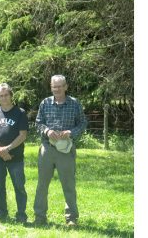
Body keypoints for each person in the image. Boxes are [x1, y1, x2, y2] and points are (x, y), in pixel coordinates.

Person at [33, 75, 87, 227]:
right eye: (54, 86)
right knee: (42, 185)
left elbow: (83, 123)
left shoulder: (75, 103)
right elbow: (38, 123)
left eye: (60, 86)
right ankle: (40, 216)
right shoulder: (45, 103)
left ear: (66, 86)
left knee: (68, 185)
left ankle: (71, 219)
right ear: (51, 87)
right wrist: (47, 131)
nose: (57, 89)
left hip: (66, 150)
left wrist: (71, 132)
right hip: (47, 150)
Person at [0, 83, 29, 224]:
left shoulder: (20, 113)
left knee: (19, 187)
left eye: (6, 95)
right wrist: (0, 150)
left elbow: (23, 135)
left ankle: (21, 215)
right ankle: (1, 212)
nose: (3, 98)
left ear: (11, 95)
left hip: (15, 157)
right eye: (0, 96)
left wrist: (7, 149)